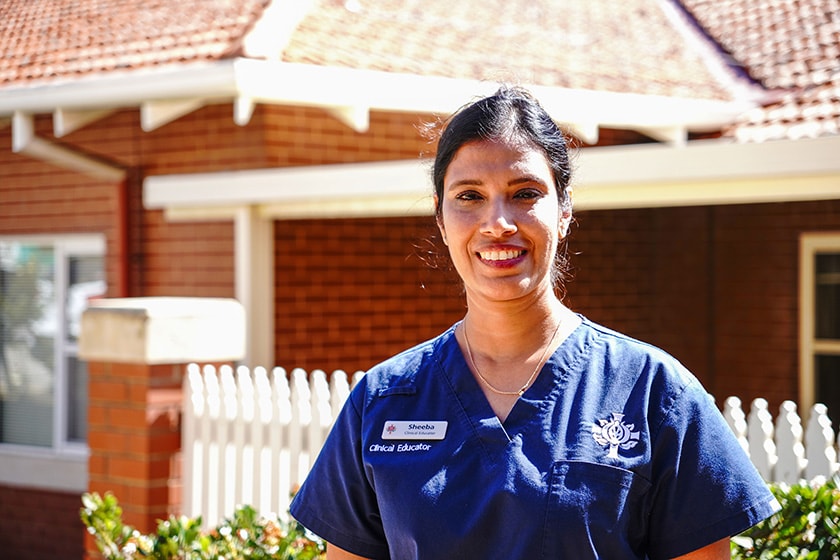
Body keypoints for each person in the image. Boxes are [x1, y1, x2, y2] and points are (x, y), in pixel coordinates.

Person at [290, 86, 779, 559]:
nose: (497, 222)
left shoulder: (654, 391)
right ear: (440, 219)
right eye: (468, 196)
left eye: (525, 192)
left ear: (564, 211)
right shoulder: (381, 400)